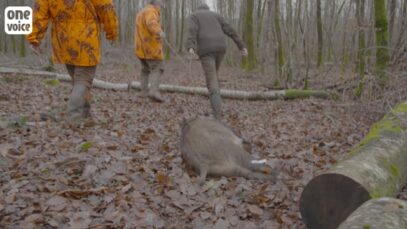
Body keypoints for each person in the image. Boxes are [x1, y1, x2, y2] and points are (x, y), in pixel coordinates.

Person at [27, 0, 118, 122]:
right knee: (83, 81)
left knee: (78, 81)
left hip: (63, 42)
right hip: (86, 42)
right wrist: (112, 32)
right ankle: (73, 118)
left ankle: (84, 114)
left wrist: (34, 38)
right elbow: (106, 8)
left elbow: (39, 11)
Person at [186, 4, 248, 119]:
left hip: (206, 50)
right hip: (221, 48)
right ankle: (216, 103)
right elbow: (230, 30)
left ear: (198, 9)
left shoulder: (194, 16)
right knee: (214, 76)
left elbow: (192, 30)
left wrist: (191, 46)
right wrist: (241, 46)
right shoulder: (216, 15)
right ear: (208, 9)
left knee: (212, 81)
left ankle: (216, 115)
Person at [135, 0, 166, 102]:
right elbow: (151, 22)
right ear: (156, 2)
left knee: (145, 69)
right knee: (158, 68)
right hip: (151, 48)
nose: (162, 5)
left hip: (141, 48)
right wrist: (159, 31)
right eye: (161, 2)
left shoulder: (141, 12)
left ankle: (143, 92)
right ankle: (153, 91)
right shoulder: (151, 11)